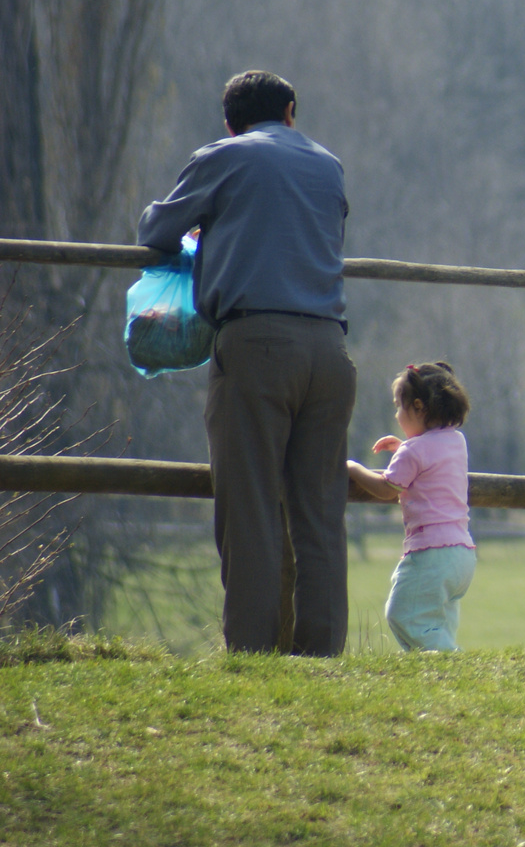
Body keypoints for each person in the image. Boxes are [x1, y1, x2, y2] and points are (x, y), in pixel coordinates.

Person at [137, 69, 355, 655]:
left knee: (251, 507)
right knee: (320, 512)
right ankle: (321, 657)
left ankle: (254, 656)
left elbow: (157, 229)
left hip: (257, 344)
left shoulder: (225, 156)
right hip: (330, 350)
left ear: (231, 123)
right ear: (291, 111)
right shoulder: (328, 165)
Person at [346, 362, 476, 652]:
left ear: (418, 407)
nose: (396, 414)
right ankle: (440, 672)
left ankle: (452, 662)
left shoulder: (413, 451)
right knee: (437, 622)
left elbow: (385, 488)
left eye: (398, 406)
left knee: (402, 614)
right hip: (462, 554)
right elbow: (431, 459)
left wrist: (354, 468)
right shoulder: (456, 440)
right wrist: (406, 446)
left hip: (432, 553)